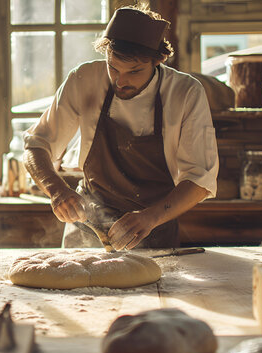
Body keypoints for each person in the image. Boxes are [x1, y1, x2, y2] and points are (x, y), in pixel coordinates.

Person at [23, 5, 218, 250]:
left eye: (134, 71)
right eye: (113, 67)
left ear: (158, 61)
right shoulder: (84, 79)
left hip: (152, 229)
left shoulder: (185, 92)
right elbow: (36, 145)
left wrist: (151, 217)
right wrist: (57, 190)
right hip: (88, 225)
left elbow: (200, 180)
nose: (121, 80)